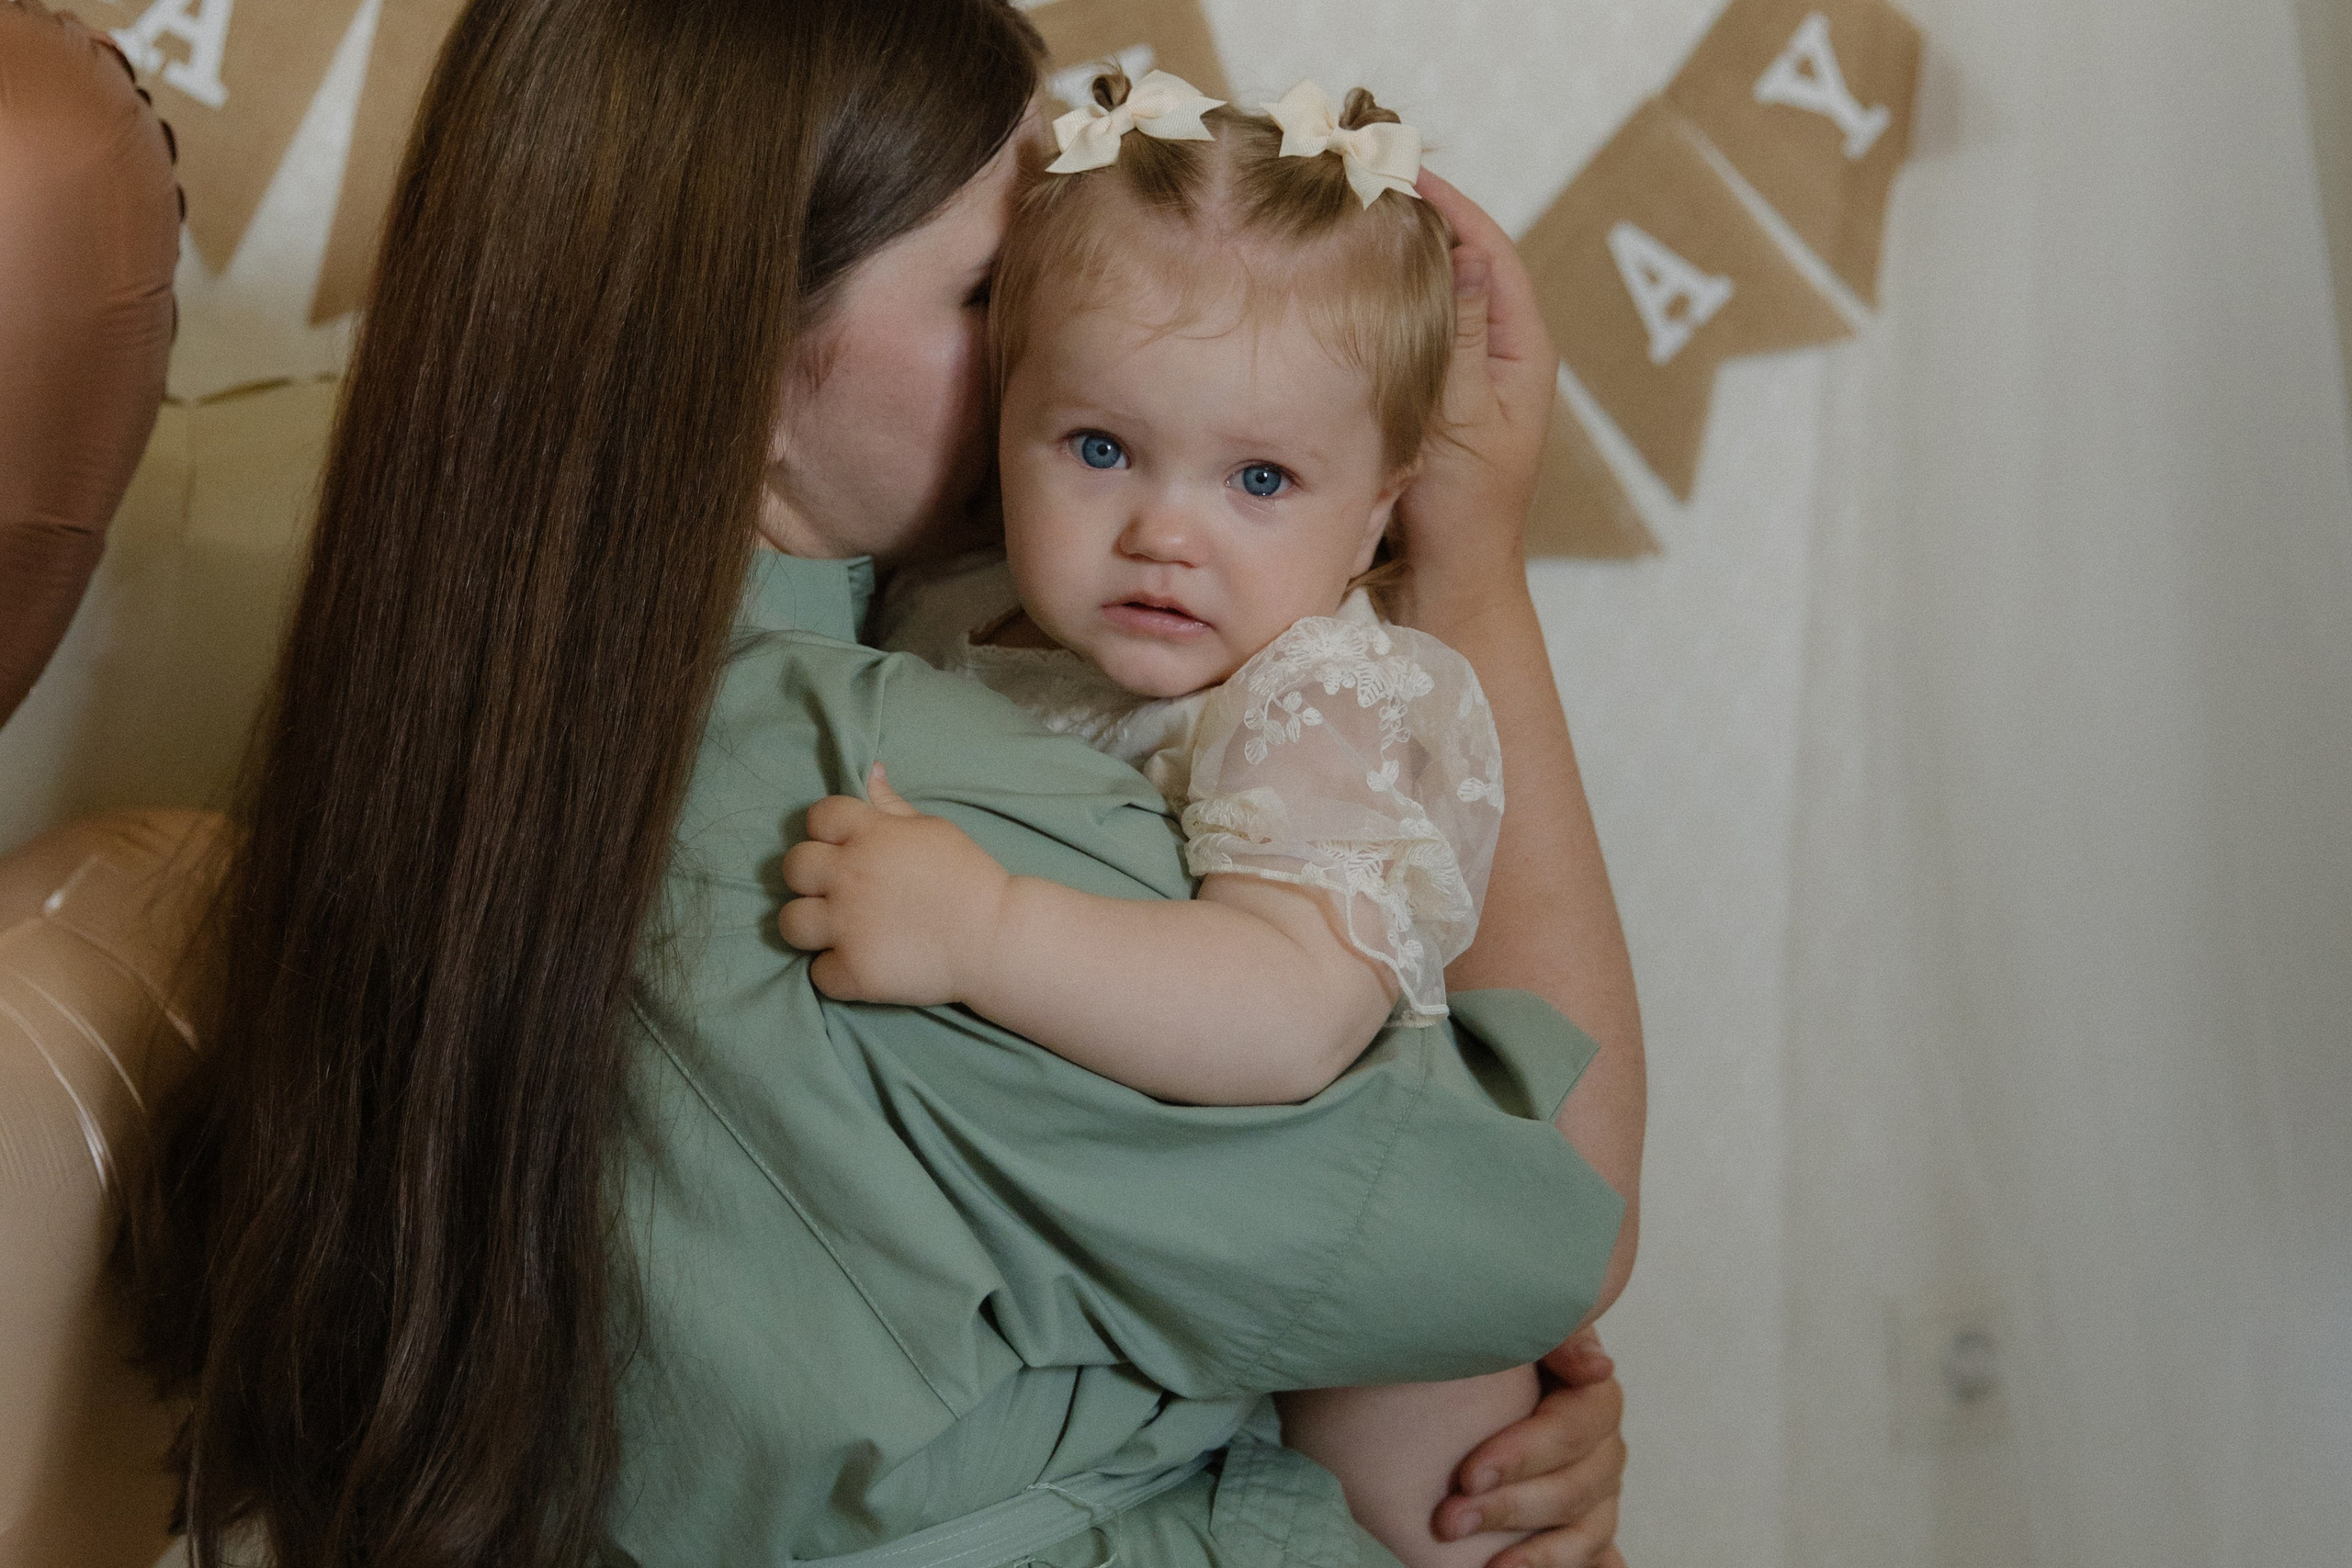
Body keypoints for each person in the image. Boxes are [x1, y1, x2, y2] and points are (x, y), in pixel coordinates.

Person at [120, 4, 1645, 1568]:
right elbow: (1553, 1221)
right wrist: (1470, 577)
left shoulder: (500, 744)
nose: (1072, 327)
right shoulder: (911, 821)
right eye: (992, 287)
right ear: (754, 372)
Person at [782, 73, 1567, 1568]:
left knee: (1443, 1530)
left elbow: (1281, 1017)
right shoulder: (958, 615)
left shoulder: (1312, 698)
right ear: (1002, 410)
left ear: (1381, 510)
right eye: (1097, 447)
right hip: (1151, 1302)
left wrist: (988, 931)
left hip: (1379, 1352)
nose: (1165, 530)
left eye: (1261, 478)